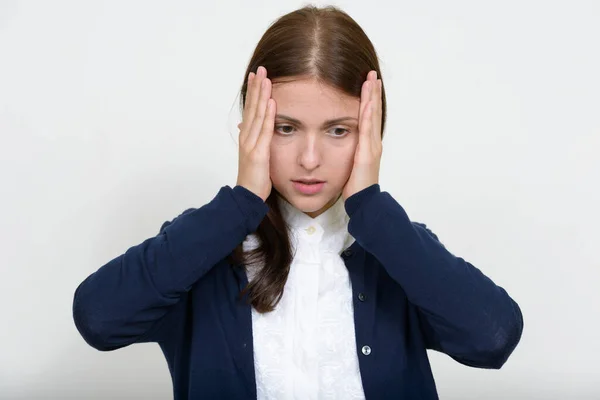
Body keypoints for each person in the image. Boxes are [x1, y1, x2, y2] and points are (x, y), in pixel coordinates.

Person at [72, 5, 523, 399]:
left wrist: (370, 206)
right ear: (252, 126)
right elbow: (98, 318)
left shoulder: (396, 248)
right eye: (285, 128)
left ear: (372, 133)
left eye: (338, 130)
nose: (310, 160)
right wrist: (241, 201)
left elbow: (493, 337)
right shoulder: (204, 248)